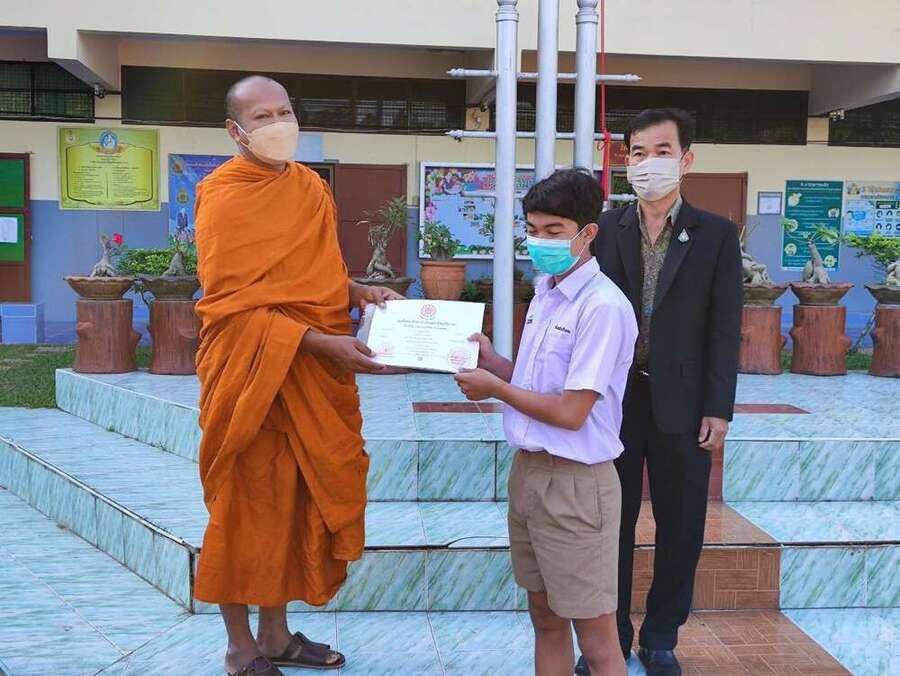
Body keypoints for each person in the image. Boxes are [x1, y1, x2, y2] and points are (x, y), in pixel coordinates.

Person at [193, 75, 403, 676]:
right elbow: (233, 305)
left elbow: (315, 278)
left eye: (284, 111)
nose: (278, 124)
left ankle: (277, 635)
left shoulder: (311, 188)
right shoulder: (223, 196)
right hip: (251, 374)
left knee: (291, 507)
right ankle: (240, 647)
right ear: (236, 131)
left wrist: (358, 292)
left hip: (309, 375)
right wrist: (319, 343)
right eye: (262, 117)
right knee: (243, 511)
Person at [576, 108, 742, 676]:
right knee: (611, 525)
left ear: (685, 160)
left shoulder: (716, 234)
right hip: (613, 404)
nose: (649, 163)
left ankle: (662, 637)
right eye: (639, 153)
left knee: (682, 523)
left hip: (686, 405)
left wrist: (719, 408)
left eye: (662, 151)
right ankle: (612, 639)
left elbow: (725, 326)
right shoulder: (603, 229)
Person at [455, 168, 637, 676]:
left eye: (554, 231)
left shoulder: (602, 307)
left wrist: (495, 390)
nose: (540, 241)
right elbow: (537, 386)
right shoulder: (545, 292)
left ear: (588, 232)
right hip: (530, 475)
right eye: (532, 230)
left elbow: (572, 412)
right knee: (545, 617)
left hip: (577, 486)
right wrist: (495, 364)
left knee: (597, 640)